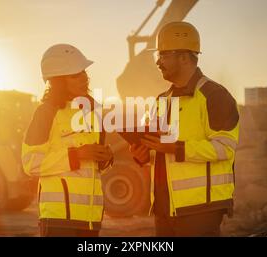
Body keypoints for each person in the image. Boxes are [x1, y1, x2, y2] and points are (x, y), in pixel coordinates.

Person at [130, 21, 240, 236]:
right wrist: (144, 154)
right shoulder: (162, 100)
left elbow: (225, 149)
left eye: (163, 55)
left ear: (183, 57)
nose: (158, 62)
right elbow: (163, 154)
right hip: (164, 207)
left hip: (201, 208)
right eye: (158, 56)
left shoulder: (215, 96)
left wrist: (175, 148)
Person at [22, 44, 113, 237]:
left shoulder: (95, 112)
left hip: (90, 219)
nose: (83, 78)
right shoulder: (46, 113)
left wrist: (105, 158)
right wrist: (77, 155)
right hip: (58, 219)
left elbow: (95, 167)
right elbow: (30, 163)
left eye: (83, 72)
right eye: (75, 75)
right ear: (58, 81)